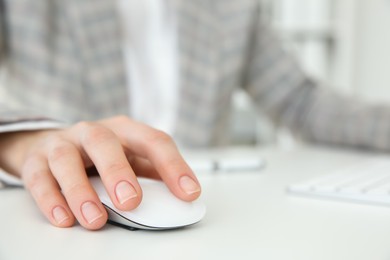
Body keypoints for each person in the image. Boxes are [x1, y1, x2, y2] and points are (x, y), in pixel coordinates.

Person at [1, 0, 390, 230]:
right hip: (62, 220)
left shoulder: (232, 7)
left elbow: (300, 100)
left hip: (206, 214)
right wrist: (23, 139)